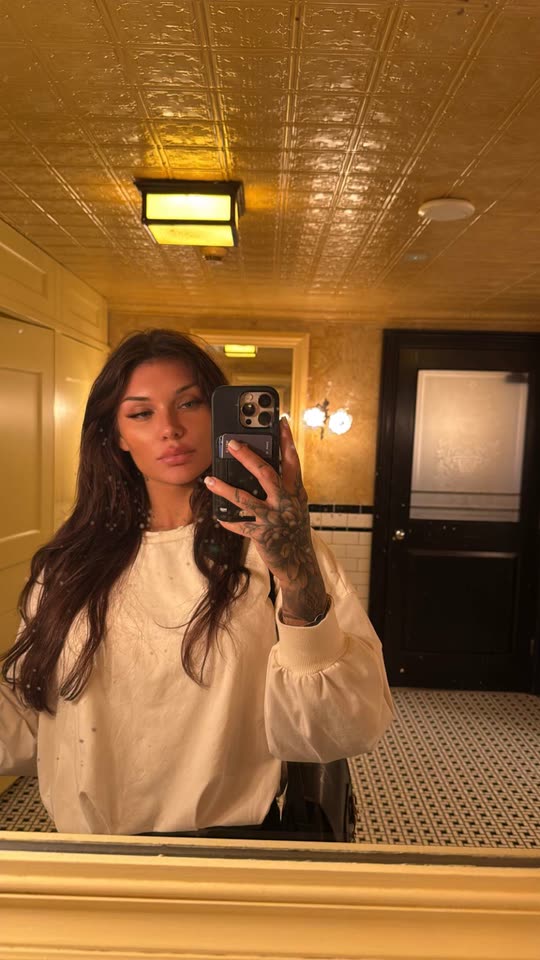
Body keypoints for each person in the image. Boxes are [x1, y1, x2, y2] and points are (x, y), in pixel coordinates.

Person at [0, 328, 394, 836]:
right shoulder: (70, 564)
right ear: (116, 435)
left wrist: (295, 573)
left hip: (230, 853)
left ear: (218, 418)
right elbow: (32, 720)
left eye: (189, 404)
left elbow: (340, 727)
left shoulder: (277, 549)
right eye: (141, 413)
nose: (170, 429)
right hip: (91, 856)